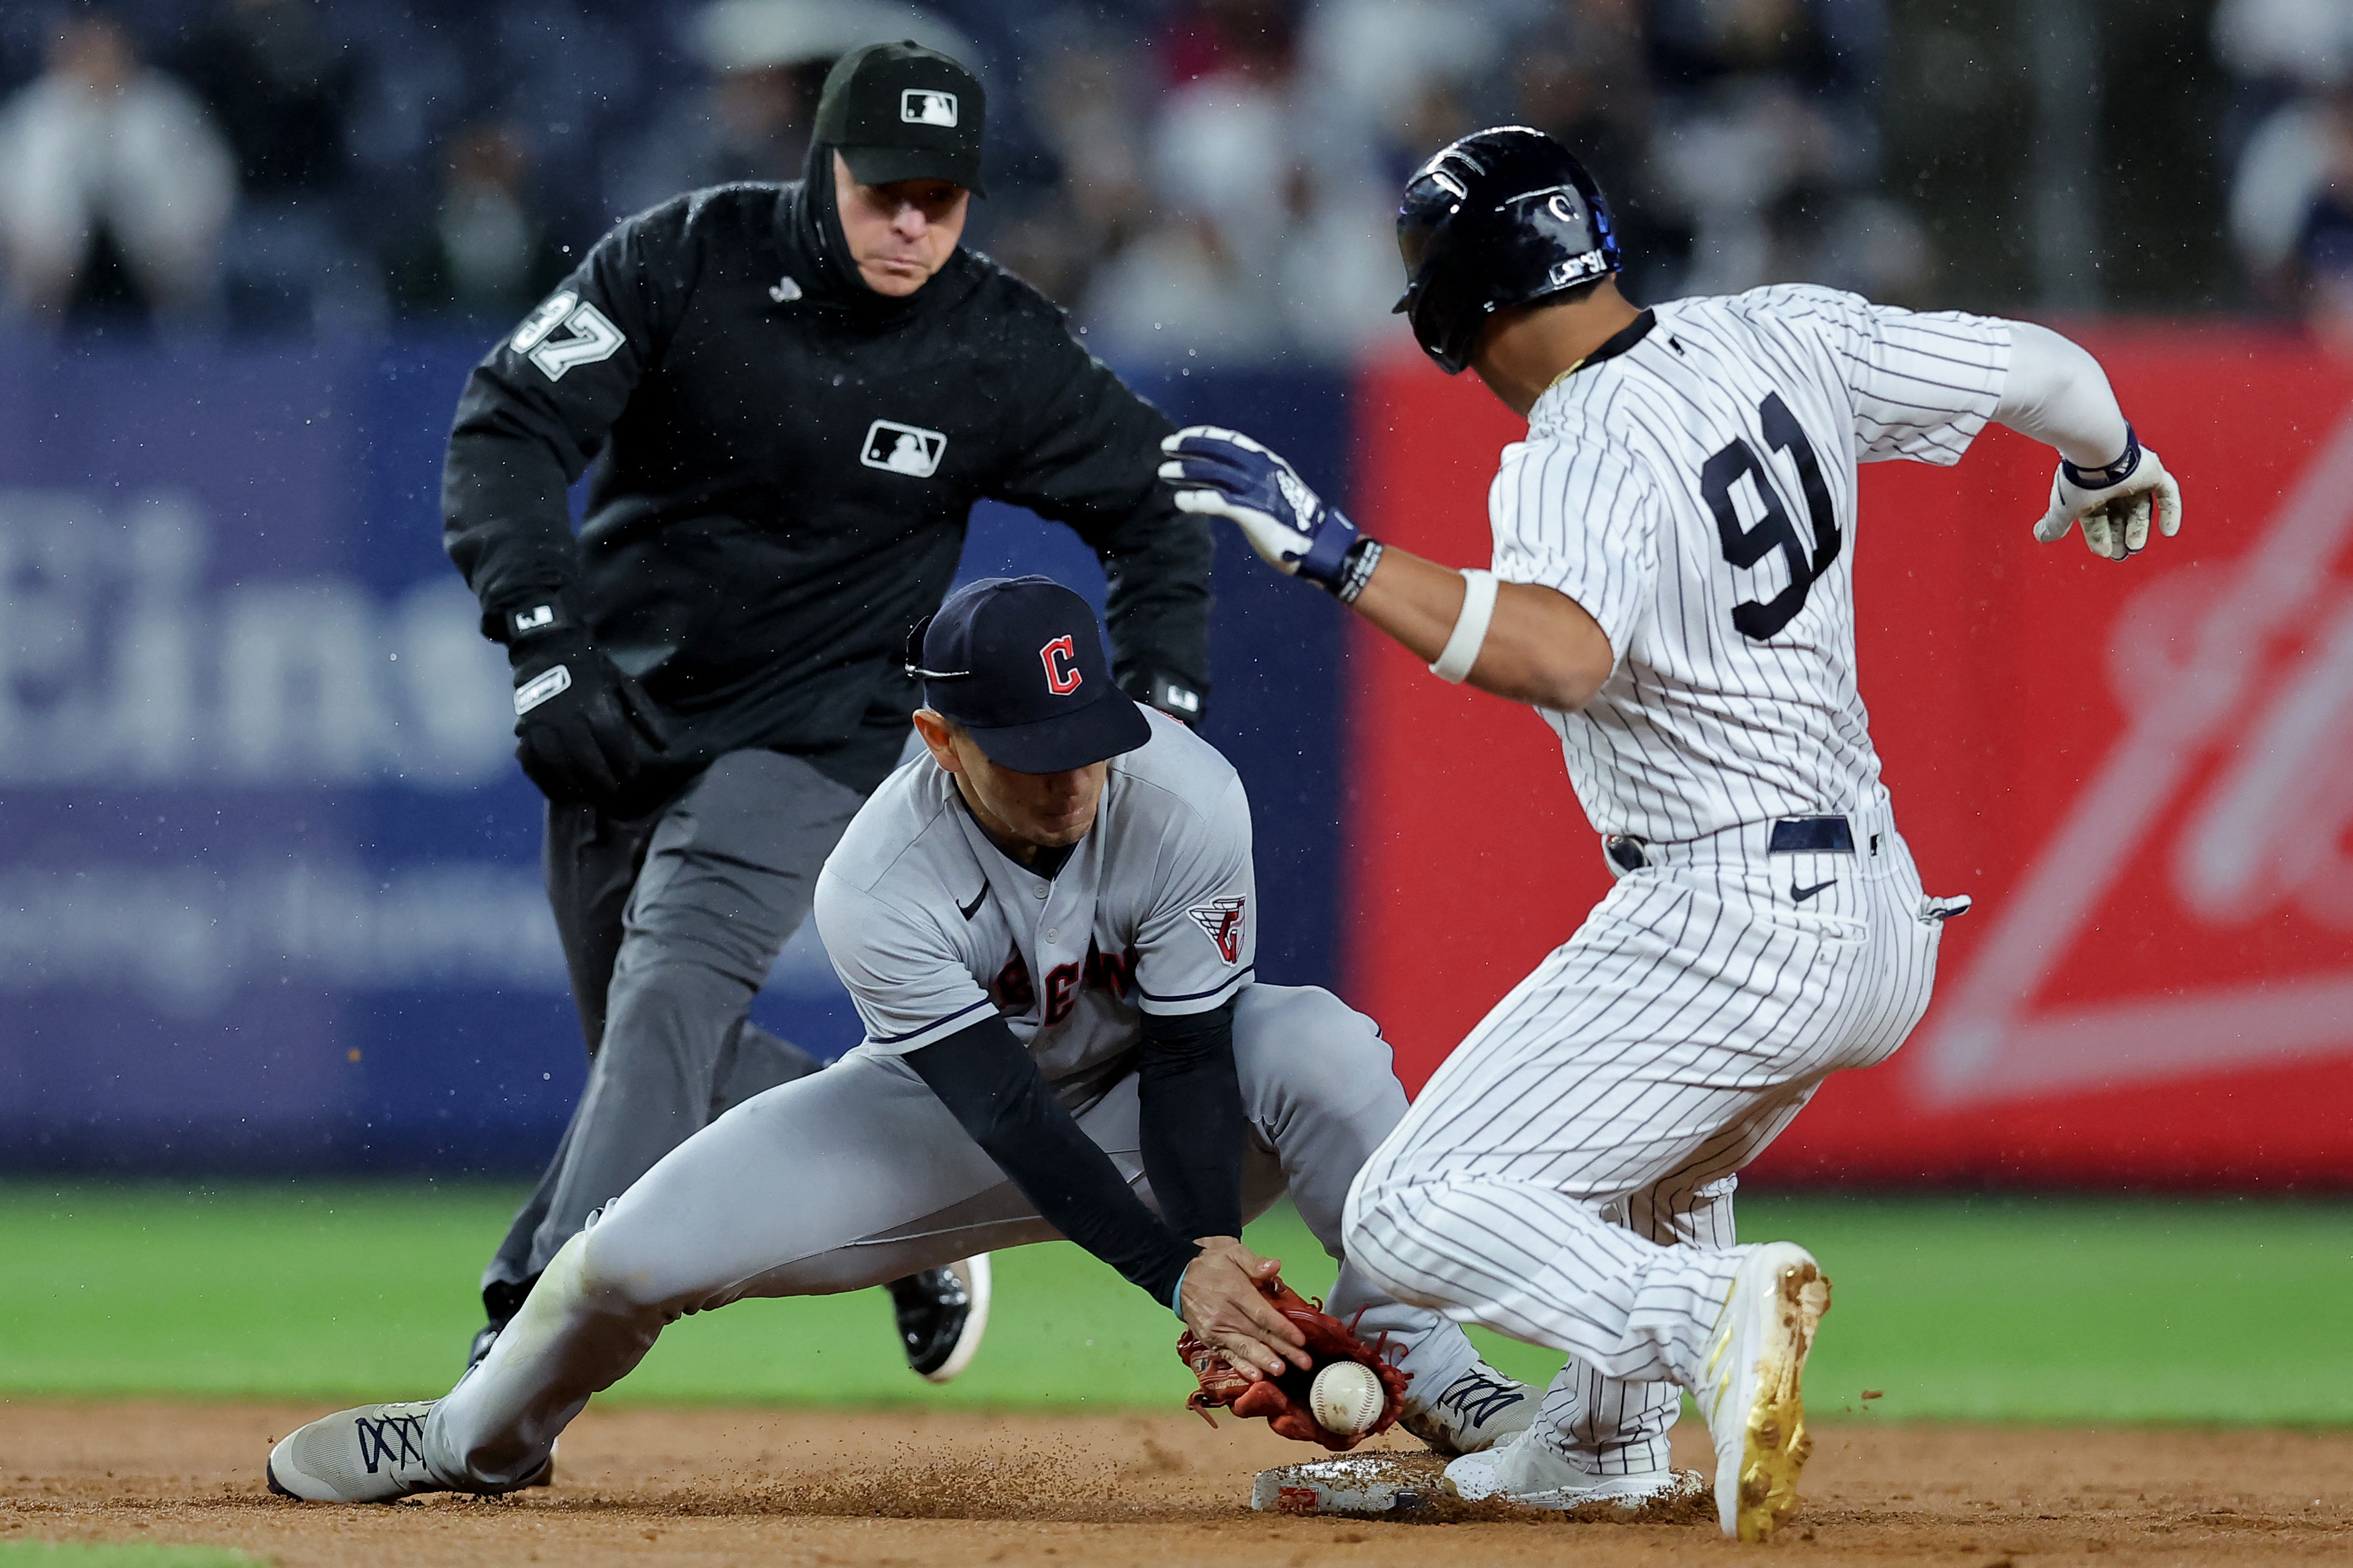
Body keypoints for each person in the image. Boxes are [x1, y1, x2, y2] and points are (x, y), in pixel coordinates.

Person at [1158, 126, 2183, 1541]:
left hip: (1731, 910)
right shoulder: (1784, 328)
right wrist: (2108, 461)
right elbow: (2048, 374)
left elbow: (1565, 653)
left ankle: (1708, 1310)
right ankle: (1602, 1446)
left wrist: (1338, 553)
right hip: (1873, 910)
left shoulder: (1574, 442)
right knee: (1656, 1168)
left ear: (1456, 316)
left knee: (1409, 1211)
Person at [262, 576, 1538, 1502]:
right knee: (618, 1261)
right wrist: (1171, 1277)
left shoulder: (1184, 789)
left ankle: (1430, 1366)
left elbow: (1194, 1055)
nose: (1071, 778)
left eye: (1084, 739)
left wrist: (1210, 1255)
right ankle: (474, 1437)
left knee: (1316, 1042)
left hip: (1160, 1098)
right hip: (953, 1121)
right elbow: (1001, 1112)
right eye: (1030, 755)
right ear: (939, 739)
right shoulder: (877, 875)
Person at [440, 41, 1216, 1384]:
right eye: (884, 191)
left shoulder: (995, 343)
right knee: (658, 1043)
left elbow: (1157, 511)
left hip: (822, 730)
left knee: (672, 984)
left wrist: (1155, 705)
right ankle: (919, 1205)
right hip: (625, 709)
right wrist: (548, 647)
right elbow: (509, 423)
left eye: (943, 196)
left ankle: (526, 1333)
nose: (913, 221)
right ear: (825, 170)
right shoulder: (682, 257)